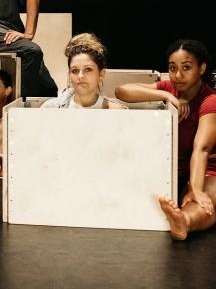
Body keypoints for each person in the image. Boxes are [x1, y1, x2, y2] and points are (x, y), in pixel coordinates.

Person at [115, 39, 216, 240]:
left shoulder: (210, 100)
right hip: (171, 168)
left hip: (206, 169)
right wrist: (165, 95)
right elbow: (122, 91)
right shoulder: (170, 88)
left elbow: (202, 148)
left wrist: (196, 189)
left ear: (201, 68)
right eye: (172, 68)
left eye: (186, 68)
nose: (178, 75)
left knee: (208, 201)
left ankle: (183, 222)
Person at [42, 33, 126, 109]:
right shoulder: (50, 108)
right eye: (75, 71)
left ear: (101, 74)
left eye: (88, 69)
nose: (80, 76)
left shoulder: (114, 111)